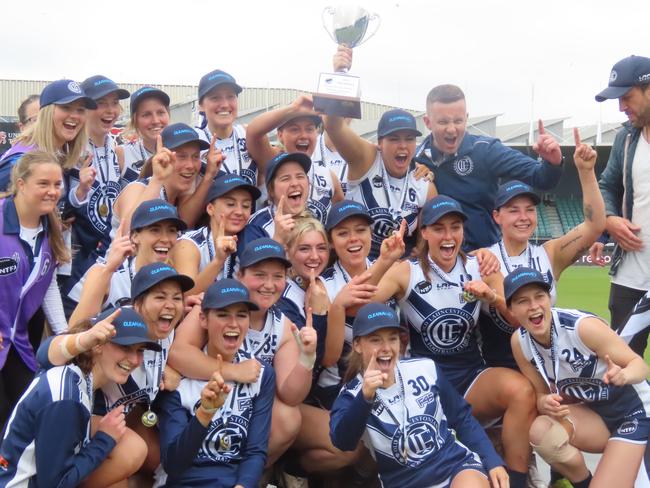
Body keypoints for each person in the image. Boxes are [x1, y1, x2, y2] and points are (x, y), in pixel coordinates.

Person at [365, 195, 536, 488]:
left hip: (471, 378)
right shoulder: (407, 271)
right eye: (439, 228)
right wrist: (383, 262)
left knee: (522, 391)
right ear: (425, 233)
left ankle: (517, 482)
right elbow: (362, 308)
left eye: (455, 227)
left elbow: (517, 319)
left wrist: (491, 297)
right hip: (423, 387)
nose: (448, 236)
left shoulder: (480, 265)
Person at [168, 238, 317, 468]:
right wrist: (235, 371)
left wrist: (307, 358)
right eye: (259, 274)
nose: (269, 284)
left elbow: (291, 395)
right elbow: (177, 353)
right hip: (195, 403)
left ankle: (245, 475)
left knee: (288, 418)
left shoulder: (283, 325)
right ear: (240, 275)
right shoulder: (213, 303)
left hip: (246, 410)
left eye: (277, 276)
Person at [41, 263, 193, 483]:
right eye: (160, 298)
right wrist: (82, 340)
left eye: (177, 298)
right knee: (132, 451)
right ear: (138, 303)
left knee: (151, 459)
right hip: (74, 419)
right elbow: (46, 354)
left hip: (112, 421)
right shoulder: (117, 324)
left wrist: (168, 371)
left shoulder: (165, 330)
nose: (170, 305)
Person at [329, 302, 509, 488]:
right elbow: (342, 442)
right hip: (405, 482)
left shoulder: (424, 368)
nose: (386, 348)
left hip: (454, 466)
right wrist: (365, 397)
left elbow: (462, 418)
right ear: (357, 344)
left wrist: (492, 460)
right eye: (375, 340)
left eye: (392, 339)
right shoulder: (351, 395)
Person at [506, 267, 650, 488]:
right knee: (542, 431)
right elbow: (541, 395)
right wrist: (545, 403)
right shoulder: (520, 343)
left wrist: (625, 374)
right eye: (523, 301)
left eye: (539, 296)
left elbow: (639, 365)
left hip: (636, 413)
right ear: (512, 310)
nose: (534, 306)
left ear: (549, 298)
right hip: (597, 416)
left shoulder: (581, 328)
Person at [480, 129, 605, 369]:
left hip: (552, 363)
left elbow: (595, 225)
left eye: (529, 209)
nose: (523, 217)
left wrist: (586, 172)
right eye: (513, 210)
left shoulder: (550, 254)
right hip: (500, 367)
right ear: (497, 216)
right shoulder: (484, 258)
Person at [0, 307, 159, 488]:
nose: (134, 359)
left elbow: (46, 353)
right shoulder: (68, 396)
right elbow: (55, 484)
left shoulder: (73, 372)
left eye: (140, 350)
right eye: (125, 347)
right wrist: (104, 439)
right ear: (97, 344)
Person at [414, 82, 564, 251]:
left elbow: (541, 178)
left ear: (466, 118)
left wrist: (552, 162)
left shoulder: (485, 150)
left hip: (484, 262)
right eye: (443, 122)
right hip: (437, 263)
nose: (451, 129)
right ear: (427, 122)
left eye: (458, 121)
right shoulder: (416, 161)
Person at [157, 278, 276, 488]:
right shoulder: (177, 378)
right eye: (222, 314)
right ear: (203, 319)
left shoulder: (262, 374)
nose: (233, 323)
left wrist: (244, 486)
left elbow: (255, 450)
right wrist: (205, 413)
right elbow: (173, 464)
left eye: (241, 315)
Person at [0, 151, 70, 428]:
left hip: (19, 345)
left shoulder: (51, 229)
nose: (52, 191)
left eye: (57, 185)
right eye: (44, 183)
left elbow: (47, 283)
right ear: (20, 183)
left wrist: (63, 335)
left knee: (21, 418)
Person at [593, 54, 650, 356]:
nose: (621, 107)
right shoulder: (626, 139)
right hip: (632, 275)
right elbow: (607, 186)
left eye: (627, 97)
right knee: (621, 365)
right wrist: (610, 220)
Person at [67, 198, 186, 325]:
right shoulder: (108, 275)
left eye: (172, 231)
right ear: (134, 236)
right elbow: (75, 329)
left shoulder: (176, 280)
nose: (165, 239)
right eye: (155, 230)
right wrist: (108, 271)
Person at [64, 76, 130, 287]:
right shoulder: (70, 151)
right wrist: (80, 192)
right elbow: (59, 211)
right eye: (101, 104)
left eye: (114, 103)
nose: (110, 110)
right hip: (77, 262)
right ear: (85, 109)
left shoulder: (116, 150)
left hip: (110, 255)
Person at [246, 96, 344, 224]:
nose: (303, 135)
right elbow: (253, 132)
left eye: (309, 129)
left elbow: (342, 220)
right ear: (280, 135)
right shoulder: (272, 163)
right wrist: (293, 109)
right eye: (295, 129)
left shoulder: (329, 177)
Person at [112, 122, 217, 235]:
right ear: (163, 156)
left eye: (195, 156)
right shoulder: (137, 188)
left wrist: (209, 175)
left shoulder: (182, 196)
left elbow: (184, 226)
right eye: (181, 157)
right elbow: (128, 233)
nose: (190, 165)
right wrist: (158, 178)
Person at [171, 173, 260, 293]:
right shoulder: (188, 244)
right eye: (230, 204)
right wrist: (218, 261)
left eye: (246, 206)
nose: (239, 212)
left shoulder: (250, 240)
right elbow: (184, 295)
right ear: (210, 209)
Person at [0, 79, 95, 191]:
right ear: (46, 113)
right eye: (66, 107)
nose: (75, 116)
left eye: (80, 110)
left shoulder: (59, 154)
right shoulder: (20, 162)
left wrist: (80, 192)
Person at [195, 69, 260, 186]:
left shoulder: (248, 134)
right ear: (201, 106)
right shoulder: (193, 141)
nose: (225, 104)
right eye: (215, 98)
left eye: (231, 96)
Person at [240, 151, 313, 247]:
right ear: (271, 190)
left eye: (300, 176)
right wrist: (278, 239)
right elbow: (250, 262)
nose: (295, 183)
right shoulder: (256, 226)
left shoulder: (313, 217)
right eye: (285, 178)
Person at [117, 86, 170, 186]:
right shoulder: (122, 154)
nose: (155, 120)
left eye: (160, 113)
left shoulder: (180, 152)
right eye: (146, 114)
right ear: (135, 120)